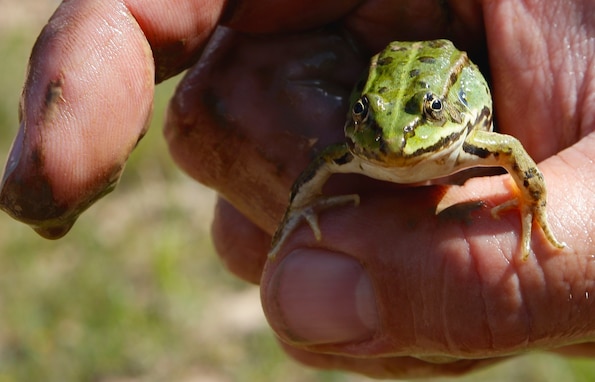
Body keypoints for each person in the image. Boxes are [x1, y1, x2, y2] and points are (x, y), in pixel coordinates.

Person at [1, 0, 594, 378]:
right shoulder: (356, 145)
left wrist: (533, 211)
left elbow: (515, 154)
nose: (392, 139)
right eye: (367, 116)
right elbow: (319, 169)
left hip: (447, 83)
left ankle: (411, 105)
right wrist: (297, 219)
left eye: (418, 118)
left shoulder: (473, 143)